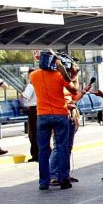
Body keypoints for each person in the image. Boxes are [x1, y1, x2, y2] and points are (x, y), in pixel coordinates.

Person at [29, 54, 78, 190]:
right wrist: (67, 74)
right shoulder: (59, 75)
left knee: (43, 150)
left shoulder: (33, 75)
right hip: (60, 114)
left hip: (42, 115)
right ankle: (64, 179)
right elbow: (73, 91)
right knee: (62, 147)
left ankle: (44, 182)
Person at [49, 61, 83, 185]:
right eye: (72, 73)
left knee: (67, 146)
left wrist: (81, 88)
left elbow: (74, 96)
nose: (74, 75)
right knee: (58, 146)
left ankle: (64, 173)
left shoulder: (68, 83)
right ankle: (53, 174)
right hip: (61, 115)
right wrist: (70, 106)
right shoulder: (59, 82)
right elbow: (58, 100)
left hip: (70, 116)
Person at [20, 69, 39, 162]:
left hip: (33, 110)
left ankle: (35, 154)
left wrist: (22, 98)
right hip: (42, 109)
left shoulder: (31, 85)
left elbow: (25, 96)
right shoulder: (41, 84)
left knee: (33, 133)